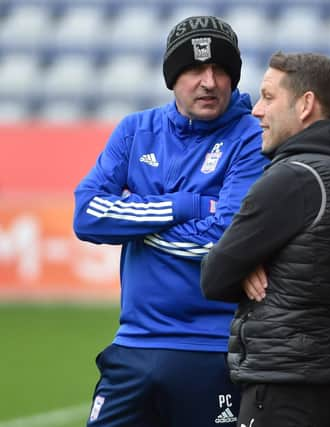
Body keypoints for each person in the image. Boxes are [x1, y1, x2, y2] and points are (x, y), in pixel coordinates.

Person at [73, 15, 268, 427]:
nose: (209, 81)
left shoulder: (251, 136)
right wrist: (183, 206)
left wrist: (136, 219)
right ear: (172, 77)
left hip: (213, 349)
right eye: (195, 69)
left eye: (220, 71)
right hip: (134, 345)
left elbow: (224, 240)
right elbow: (87, 214)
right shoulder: (135, 131)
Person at [200, 52, 330, 427]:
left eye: (268, 97)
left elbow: (214, 275)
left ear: (305, 105)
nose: (255, 110)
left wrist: (245, 263)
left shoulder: (295, 176)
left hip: (284, 385)